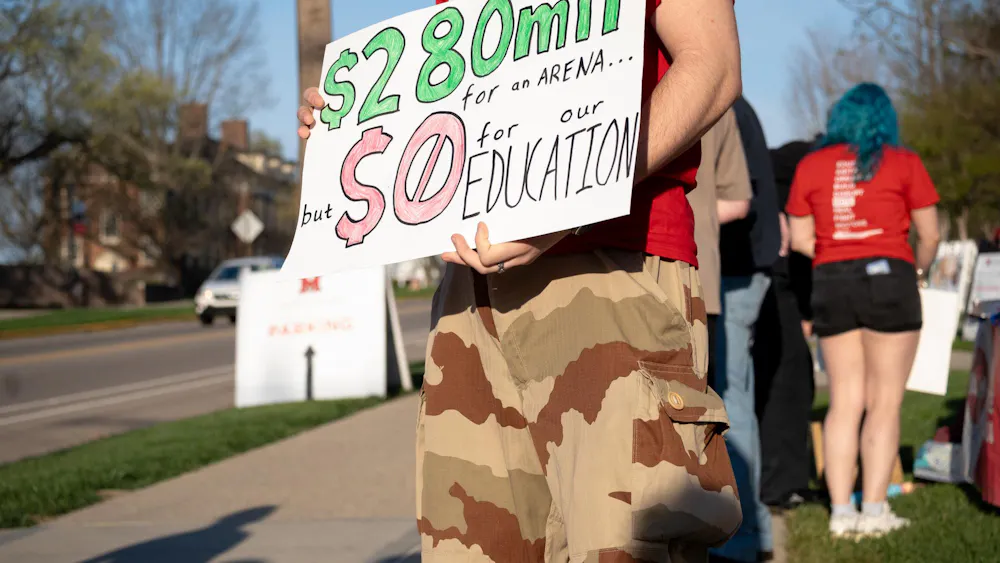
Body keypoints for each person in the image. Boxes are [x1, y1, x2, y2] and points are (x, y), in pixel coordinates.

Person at [298, 1, 744, 560]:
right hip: (469, 298)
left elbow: (712, 63)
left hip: (613, 269)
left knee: (620, 544)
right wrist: (353, 126)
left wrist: (568, 200)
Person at [785, 83, 941, 539]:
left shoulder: (812, 164)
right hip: (891, 276)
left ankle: (840, 512)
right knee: (885, 403)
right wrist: (917, 272)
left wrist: (838, 251)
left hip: (832, 279)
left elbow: (798, 239)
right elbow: (929, 236)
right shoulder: (905, 162)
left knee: (844, 400)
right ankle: (873, 511)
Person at [708, 96, 783, 563]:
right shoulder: (738, 103)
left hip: (736, 268)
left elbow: (738, 200)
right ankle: (757, 534)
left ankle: (745, 537)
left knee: (730, 397)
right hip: (747, 266)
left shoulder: (720, 102)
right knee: (738, 393)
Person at [753, 139, 817, 511]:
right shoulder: (805, 168)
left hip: (773, 278)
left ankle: (780, 481)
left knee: (784, 379)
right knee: (787, 381)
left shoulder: (782, 165)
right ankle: (780, 486)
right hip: (779, 282)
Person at [686, 107, 751, 388]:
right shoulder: (716, 102)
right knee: (696, 410)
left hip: (614, 270)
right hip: (699, 278)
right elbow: (738, 202)